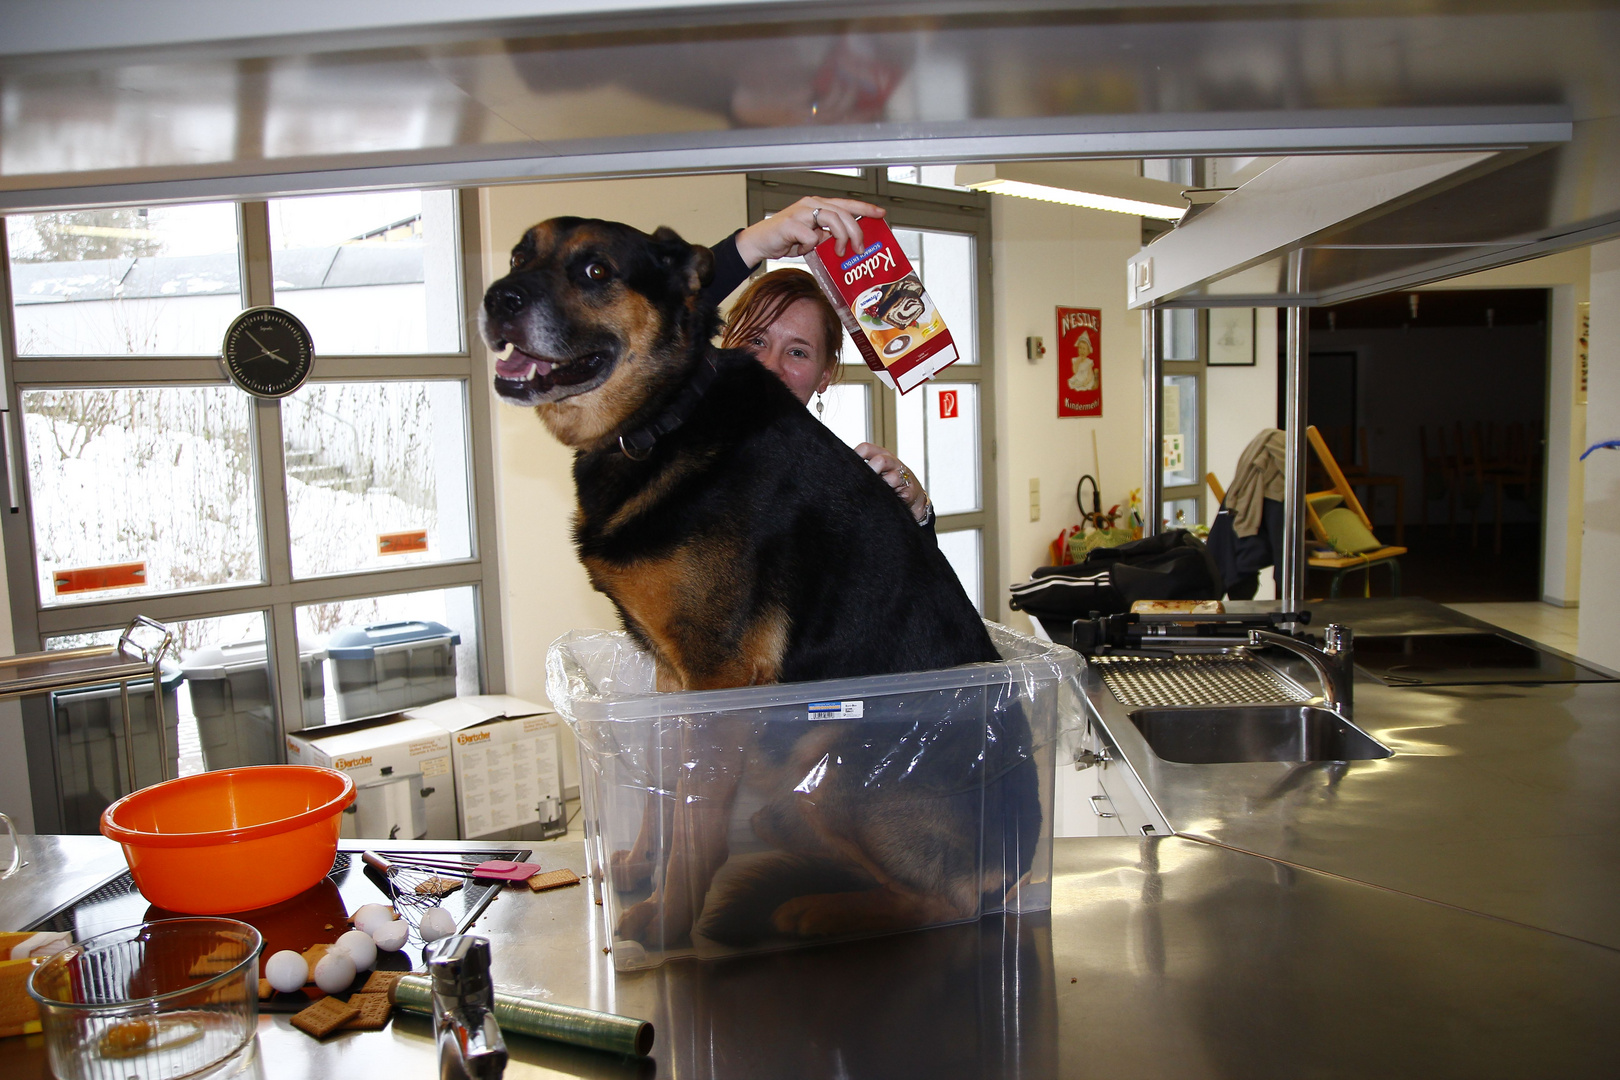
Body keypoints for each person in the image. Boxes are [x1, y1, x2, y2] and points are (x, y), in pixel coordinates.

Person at [703, 197, 935, 528]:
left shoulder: (833, 488)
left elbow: (903, 578)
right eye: (756, 341)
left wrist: (916, 513)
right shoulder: (672, 446)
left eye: (798, 351)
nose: (770, 365)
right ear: (726, 344)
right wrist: (749, 245)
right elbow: (652, 322)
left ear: (824, 375)